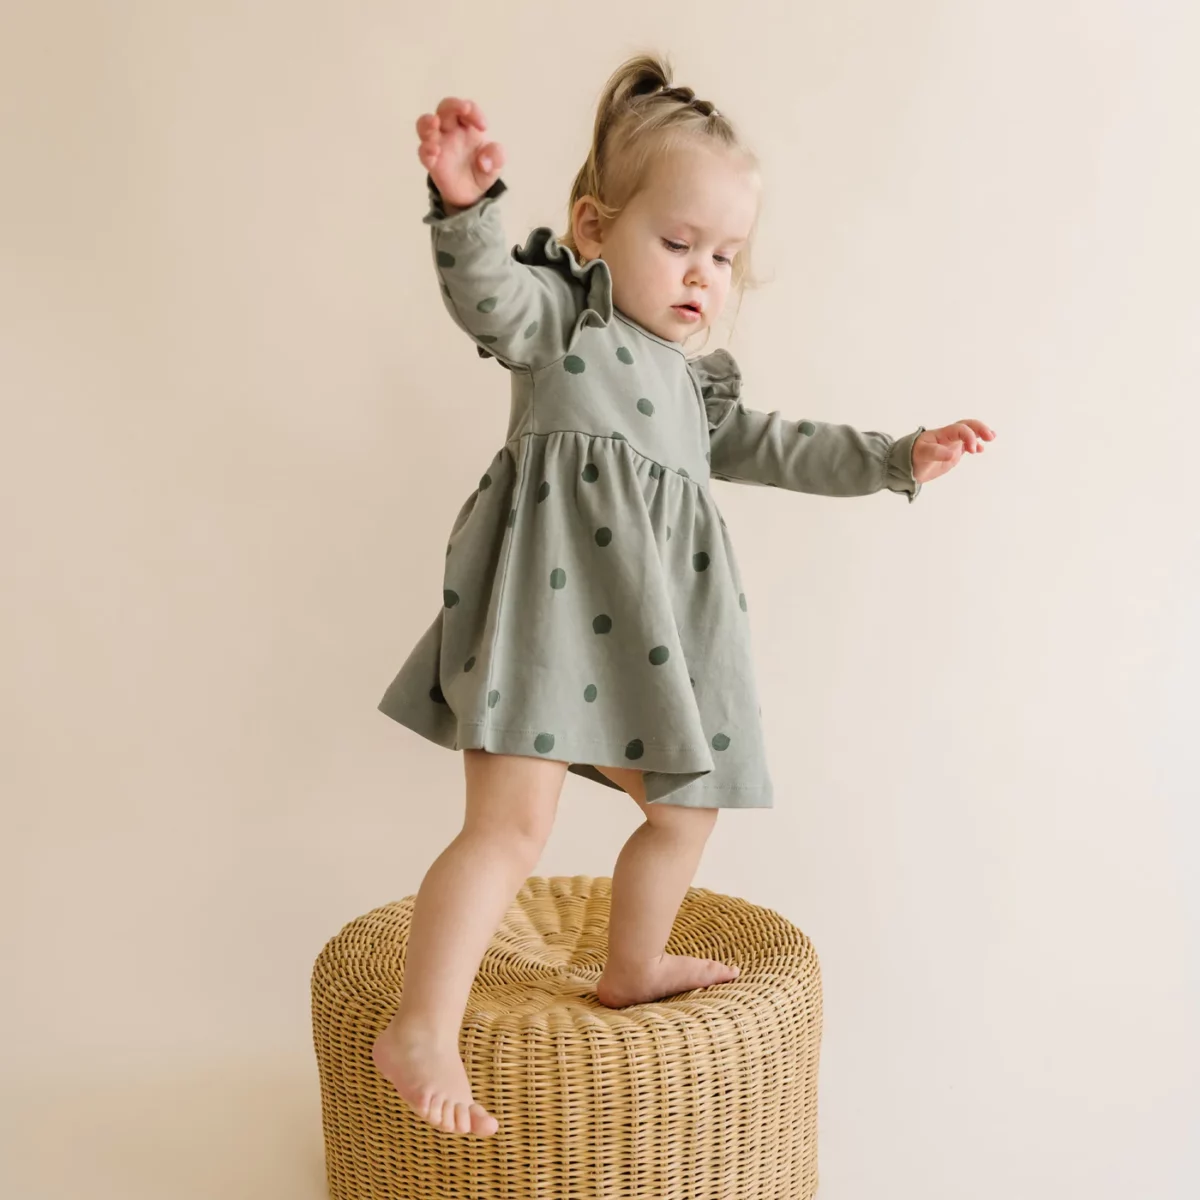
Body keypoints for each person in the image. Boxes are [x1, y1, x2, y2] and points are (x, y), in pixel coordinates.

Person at [371, 52, 997, 1137]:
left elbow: (780, 444)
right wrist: (466, 210)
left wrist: (899, 455)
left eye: (726, 255)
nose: (704, 274)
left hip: (644, 649)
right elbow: (490, 300)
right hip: (545, 624)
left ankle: (633, 963)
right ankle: (422, 1024)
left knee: (685, 809)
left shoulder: (693, 384)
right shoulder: (566, 324)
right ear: (593, 228)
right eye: (678, 243)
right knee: (511, 829)